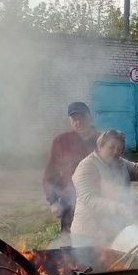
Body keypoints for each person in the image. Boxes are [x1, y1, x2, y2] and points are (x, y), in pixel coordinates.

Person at [70, 130, 138, 247]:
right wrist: (122, 208)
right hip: (88, 234)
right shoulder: (87, 166)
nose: (116, 152)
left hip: (114, 233)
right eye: (111, 147)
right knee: (88, 266)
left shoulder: (120, 163)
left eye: (119, 149)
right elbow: (89, 199)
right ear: (100, 146)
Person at [43, 102, 99, 241]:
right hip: (69, 201)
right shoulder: (61, 141)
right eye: (74, 119)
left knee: (99, 244)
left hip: (97, 201)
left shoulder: (102, 140)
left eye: (82, 117)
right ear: (70, 120)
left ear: (89, 117)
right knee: (69, 244)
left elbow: (115, 170)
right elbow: (51, 173)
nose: (78, 122)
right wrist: (53, 201)